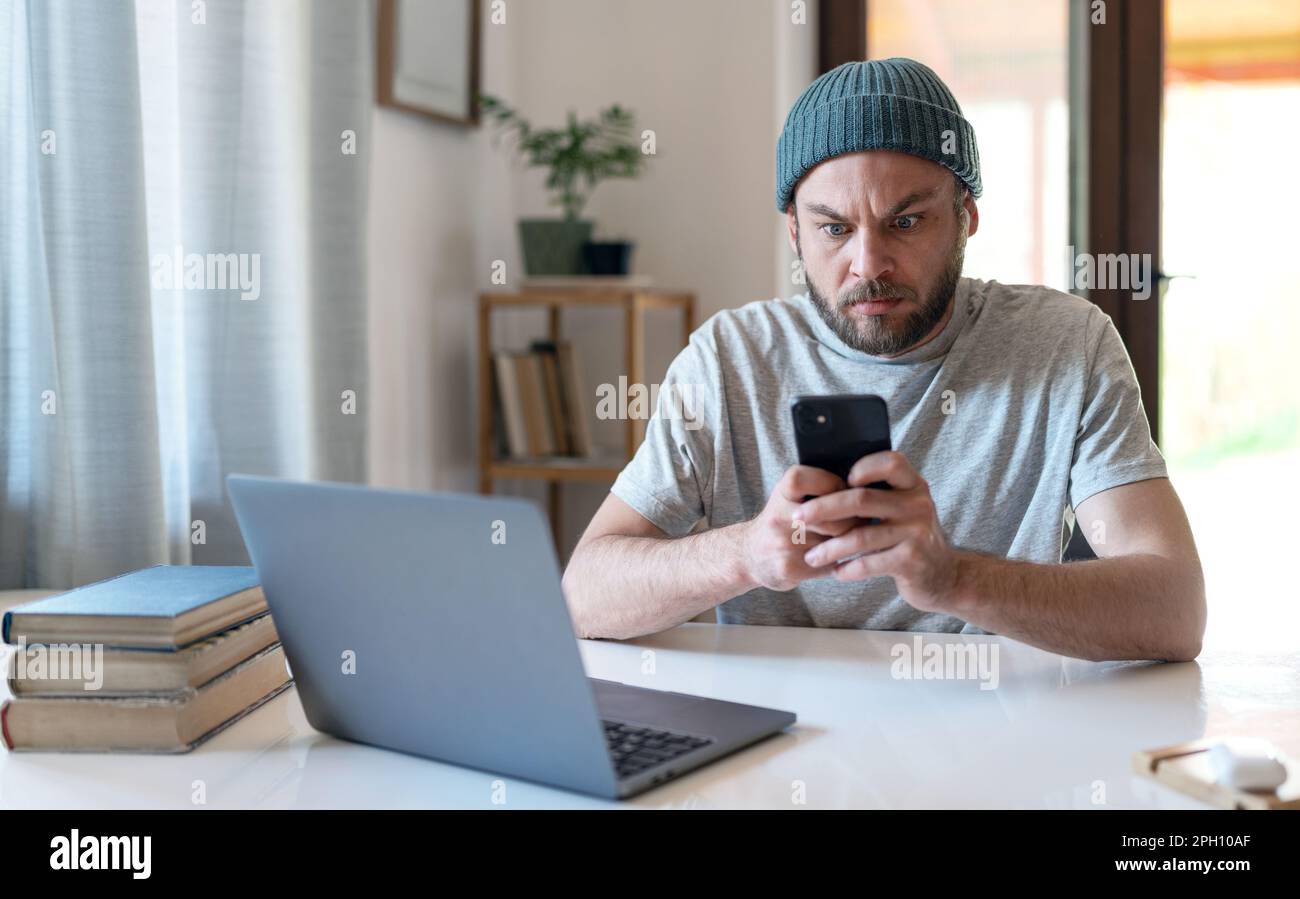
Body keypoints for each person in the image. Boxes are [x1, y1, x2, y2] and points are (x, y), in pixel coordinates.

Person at [562, 58, 1204, 662]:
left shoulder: (1068, 345)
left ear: (965, 216)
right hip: (784, 745)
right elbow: (583, 595)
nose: (868, 265)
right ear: (795, 233)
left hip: (996, 735)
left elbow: (1174, 611)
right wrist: (748, 555)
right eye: (834, 229)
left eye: (905, 222)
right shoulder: (730, 358)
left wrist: (953, 578)